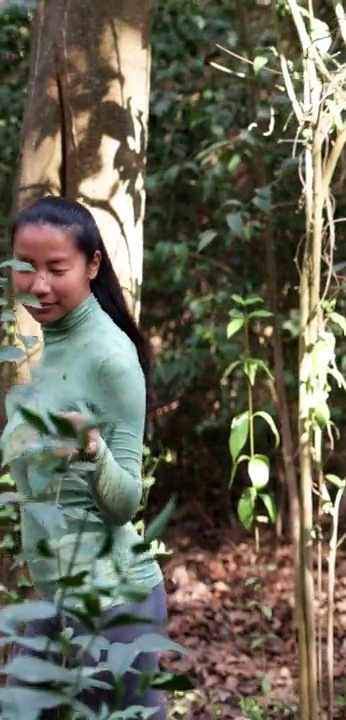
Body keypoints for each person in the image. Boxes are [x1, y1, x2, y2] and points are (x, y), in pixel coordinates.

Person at [0, 196, 168, 718]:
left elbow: (126, 504)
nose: (39, 284)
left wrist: (93, 450)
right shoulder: (53, 340)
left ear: (92, 265)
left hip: (110, 605)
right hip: (57, 600)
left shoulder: (110, 357)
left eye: (57, 269)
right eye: (26, 267)